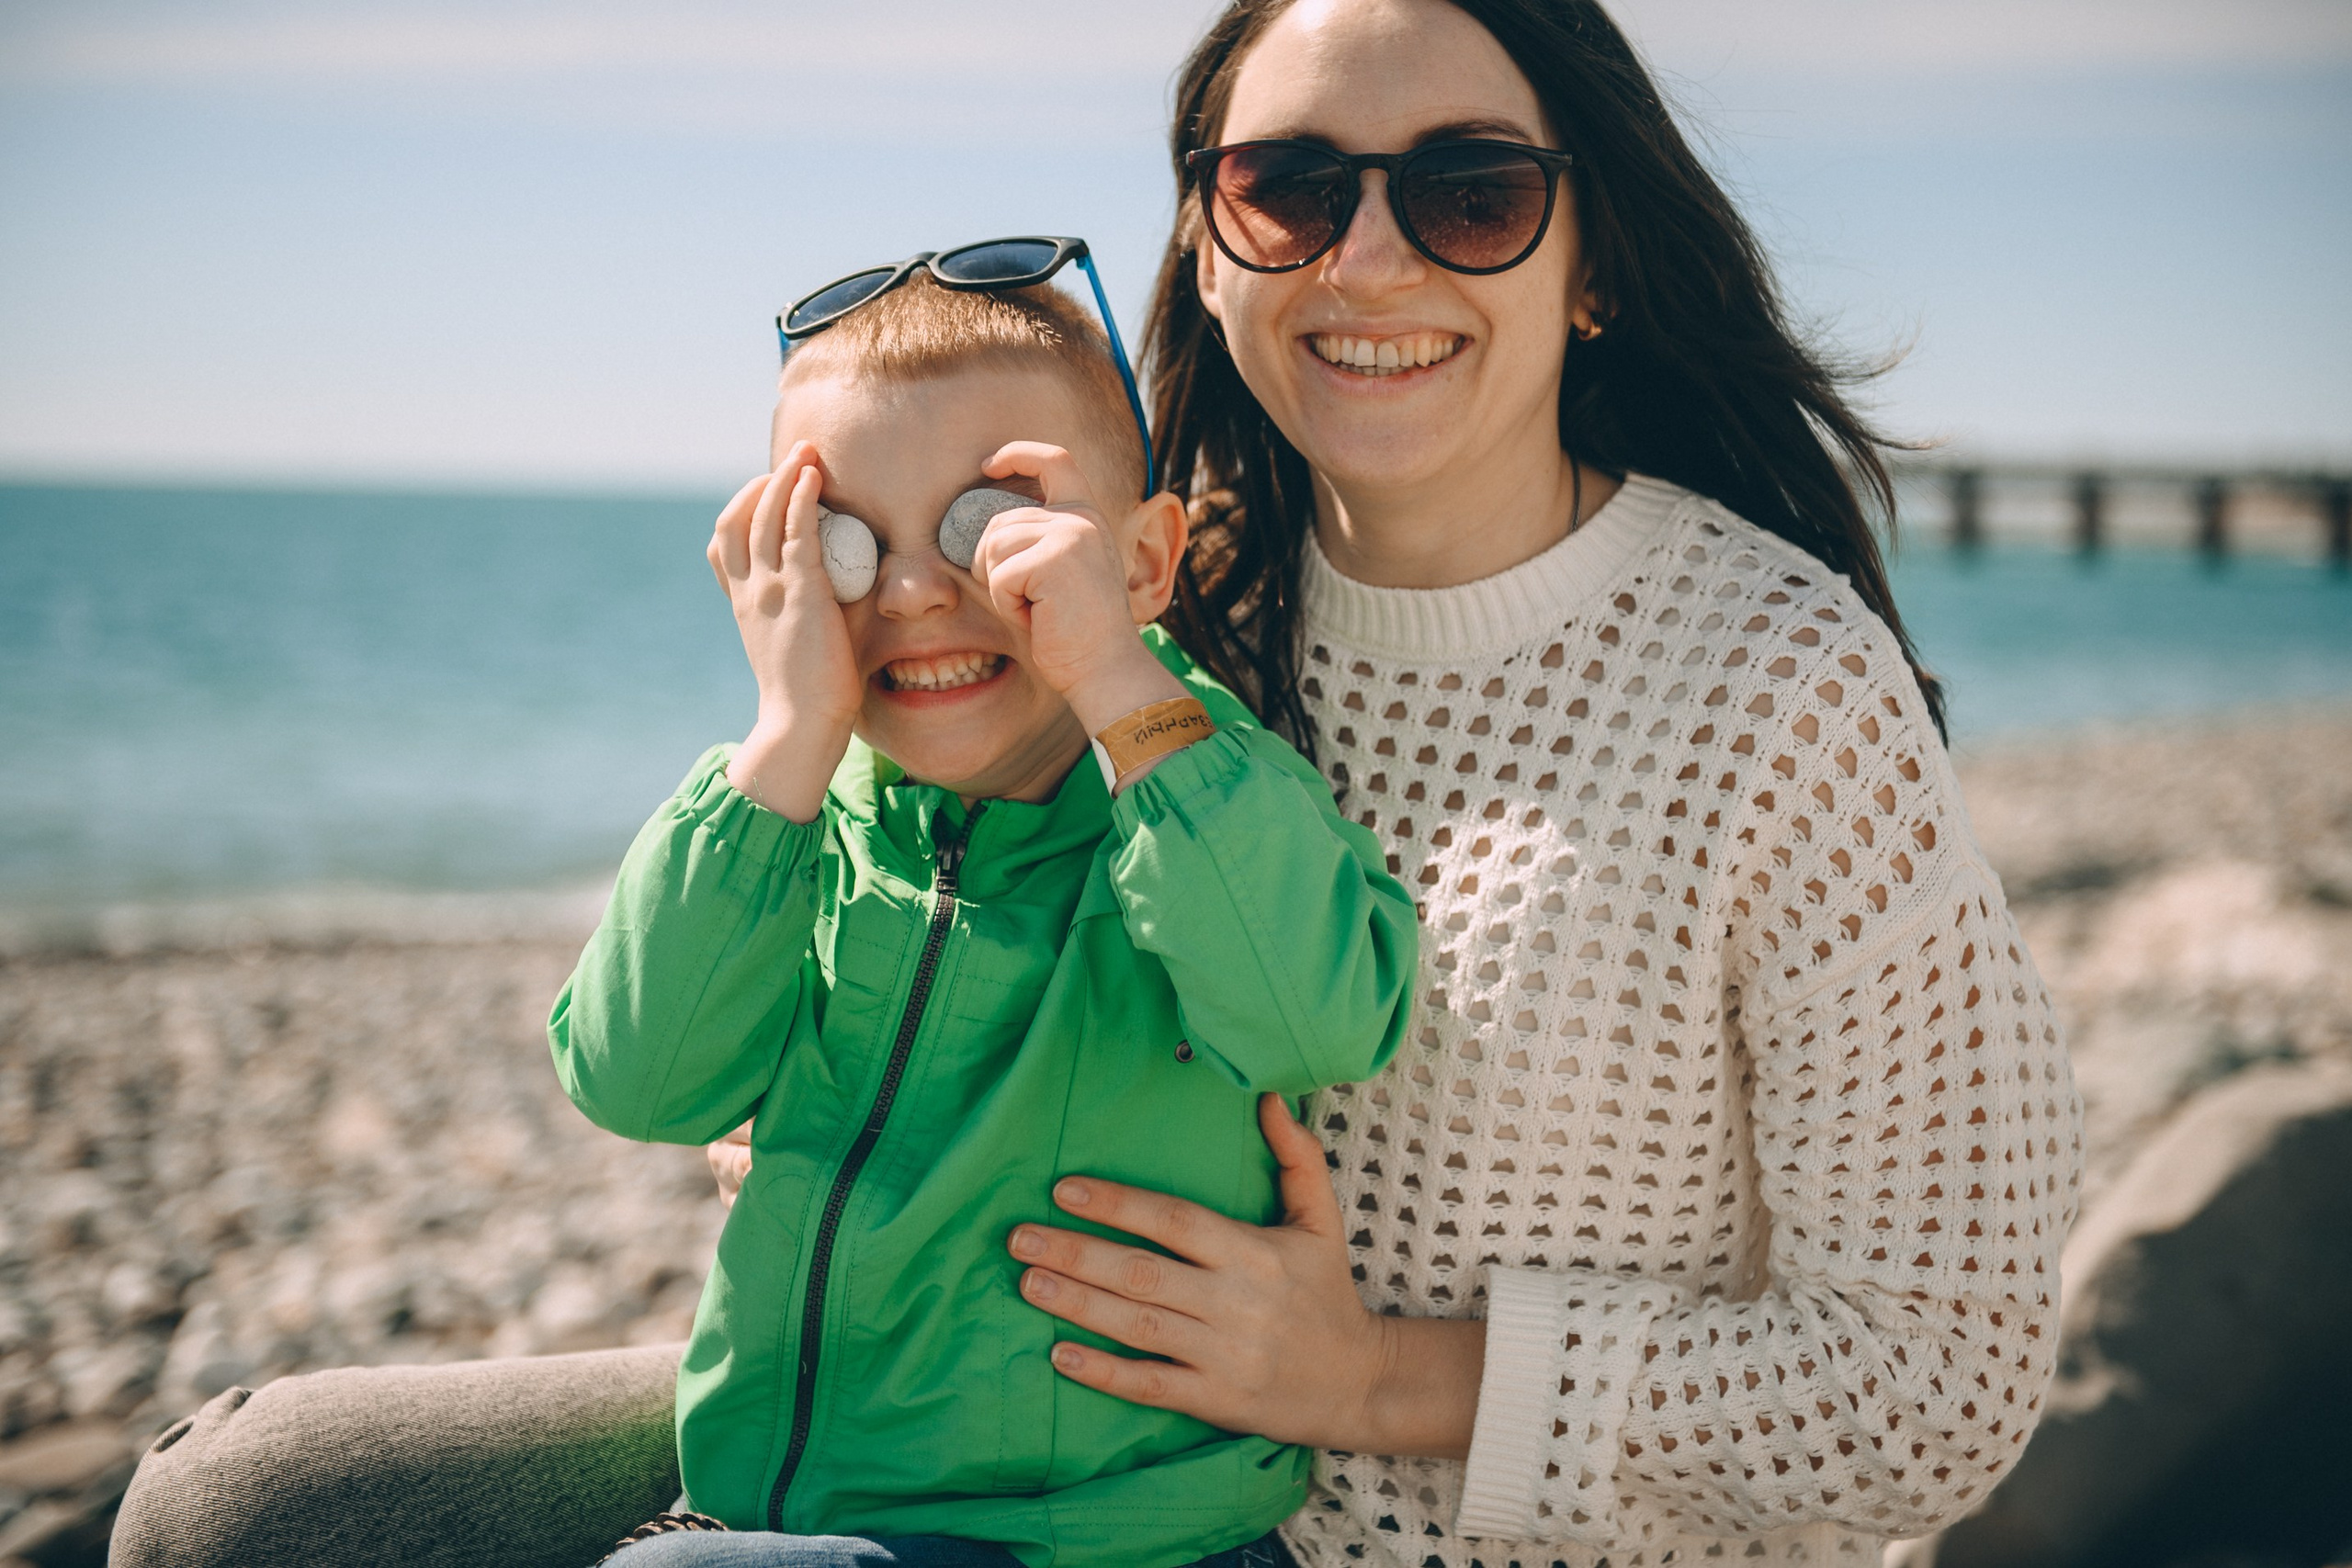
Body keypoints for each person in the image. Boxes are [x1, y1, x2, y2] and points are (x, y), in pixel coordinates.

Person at [111, 3, 2080, 1566]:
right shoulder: (1128, 600)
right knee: (252, 1506)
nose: (1365, 249)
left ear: (1590, 266)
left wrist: (1375, 1379)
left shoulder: (1772, 685)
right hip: (950, 1412)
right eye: (1287, 186)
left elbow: (1930, 1384)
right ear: (1210, 254)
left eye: (1468, 191)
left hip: (1370, 1528)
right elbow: (762, 999)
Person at [559, 262, 1414, 1568]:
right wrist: (788, 735)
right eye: (844, 542)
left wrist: (1119, 683)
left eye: (985, 529)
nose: (909, 592)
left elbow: (1319, 1021)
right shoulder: (806, 822)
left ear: (1142, 560)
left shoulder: (1199, 789)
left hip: (1109, 1543)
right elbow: (641, 1081)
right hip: (786, 1521)